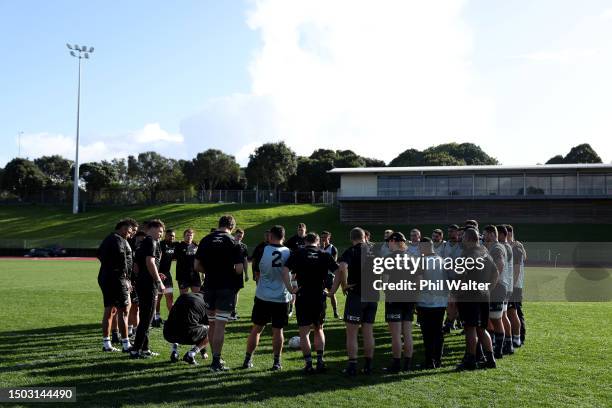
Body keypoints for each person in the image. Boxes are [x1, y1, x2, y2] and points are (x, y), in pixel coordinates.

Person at [195, 215, 244, 372]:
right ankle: (216, 360)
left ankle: (215, 358)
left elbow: (196, 266)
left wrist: (210, 271)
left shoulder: (205, 240)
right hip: (226, 287)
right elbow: (238, 269)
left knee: (211, 323)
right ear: (231, 226)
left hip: (209, 285)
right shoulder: (233, 242)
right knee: (220, 325)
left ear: (219, 224)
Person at [284, 232, 338, 373]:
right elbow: (339, 271)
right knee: (319, 329)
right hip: (319, 296)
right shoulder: (324, 254)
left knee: (304, 332)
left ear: (305, 241)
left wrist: (290, 288)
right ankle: (320, 361)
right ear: (318, 241)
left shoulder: (298, 253)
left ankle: (308, 364)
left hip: (303, 295)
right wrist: (332, 290)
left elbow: (284, 270)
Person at [328, 227, 378, 376]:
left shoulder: (351, 251)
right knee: (368, 332)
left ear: (352, 238)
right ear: (364, 237)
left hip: (356, 295)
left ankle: (352, 365)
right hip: (372, 294)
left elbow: (342, 267)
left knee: (352, 333)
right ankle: (368, 365)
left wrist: (343, 285)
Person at [243, 225, 292, 371]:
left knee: (257, 328)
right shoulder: (289, 252)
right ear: (283, 236)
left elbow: (257, 272)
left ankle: (247, 359)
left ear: (271, 236)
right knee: (278, 330)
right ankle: (276, 362)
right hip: (281, 297)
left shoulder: (262, 249)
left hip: (263, 295)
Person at [455, 227, 498, 370]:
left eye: (462, 237)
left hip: (469, 297)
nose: (461, 239)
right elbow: (496, 273)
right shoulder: (485, 252)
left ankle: (470, 359)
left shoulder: (465, 255)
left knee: (470, 328)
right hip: (484, 296)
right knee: (481, 328)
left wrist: (456, 294)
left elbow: (460, 277)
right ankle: (490, 359)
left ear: (467, 238)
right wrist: (488, 288)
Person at [97, 219, 137, 353]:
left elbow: (99, 255)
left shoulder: (109, 238)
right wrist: (125, 278)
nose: (131, 235)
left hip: (106, 277)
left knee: (110, 310)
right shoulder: (119, 240)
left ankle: (106, 344)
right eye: (131, 231)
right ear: (124, 228)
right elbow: (122, 260)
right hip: (117, 279)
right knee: (124, 310)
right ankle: (126, 344)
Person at [130, 219, 166, 359]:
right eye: (160, 231)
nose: (161, 235)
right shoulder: (151, 241)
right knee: (147, 319)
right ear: (152, 228)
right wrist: (158, 281)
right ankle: (135, 350)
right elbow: (150, 262)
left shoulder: (143, 242)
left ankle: (144, 349)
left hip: (142, 283)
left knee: (145, 317)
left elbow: (137, 265)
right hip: (149, 285)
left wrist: (154, 273)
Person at [382, 232, 415, 373]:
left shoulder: (389, 258)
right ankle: (407, 364)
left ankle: (396, 364)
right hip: (409, 299)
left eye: (389, 241)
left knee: (395, 334)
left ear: (394, 241)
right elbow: (418, 282)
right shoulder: (413, 258)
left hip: (394, 299)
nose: (388, 243)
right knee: (407, 333)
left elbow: (385, 281)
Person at [416, 237, 450, 369]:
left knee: (427, 333)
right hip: (440, 303)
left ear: (423, 247)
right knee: (438, 332)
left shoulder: (422, 261)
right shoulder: (441, 260)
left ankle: (430, 360)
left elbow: (418, 283)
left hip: (425, 302)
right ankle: (438, 359)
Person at [483, 224, 508, 359]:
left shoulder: (497, 248)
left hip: (497, 288)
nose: (483, 236)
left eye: (485, 234)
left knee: (496, 319)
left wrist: (490, 286)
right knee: (489, 319)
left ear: (492, 234)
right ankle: (493, 345)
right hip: (493, 287)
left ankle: (499, 349)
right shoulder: (491, 247)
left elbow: (500, 265)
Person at [163, 292, 210, 365]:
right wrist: (203, 352)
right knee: (212, 329)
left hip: (168, 333)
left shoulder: (183, 296)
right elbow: (206, 326)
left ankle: (174, 351)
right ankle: (191, 354)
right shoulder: (206, 302)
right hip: (187, 335)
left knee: (177, 321)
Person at [440, 224, 463, 333]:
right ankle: (450, 322)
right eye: (449, 231)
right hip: (447, 278)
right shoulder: (445, 245)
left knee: (456, 302)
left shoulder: (462, 245)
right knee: (449, 303)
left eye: (453, 231)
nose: (451, 233)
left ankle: (450, 323)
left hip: (459, 278)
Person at [507, 225, 527, 346]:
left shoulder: (516, 247)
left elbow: (519, 265)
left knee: (516, 311)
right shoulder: (514, 246)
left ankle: (520, 337)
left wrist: (512, 286)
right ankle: (516, 336)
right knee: (512, 312)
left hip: (515, 286)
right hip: (512, 285)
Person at [497, 225, 515, 355]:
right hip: (506, 285)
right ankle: (507, 343)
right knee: (503, 315)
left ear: (502, 235)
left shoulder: (505, 247)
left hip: (504, 285)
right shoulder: (506, 246)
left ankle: (507, 343)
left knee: (502, 316)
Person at [153, 229, 176, 327]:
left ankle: (172, 318)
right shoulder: (159, 245)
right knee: (158, 298)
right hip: (158, 274)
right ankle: (156, 318)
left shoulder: (174, 245)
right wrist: (157, 274)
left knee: (170, 297)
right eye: (170, 235)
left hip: (167, 274)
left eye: (173, 236)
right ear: (165, 235)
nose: (172, 237)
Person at [127, 229, 146, 340]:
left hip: (139, 282)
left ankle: (135, 330)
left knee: (136, 308)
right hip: (128, 281)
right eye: (138, 240)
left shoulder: (145, 250)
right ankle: (128, 329)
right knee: (127, 307)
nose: (140, 242)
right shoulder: (130, 248)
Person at [320, 231, 340, 319]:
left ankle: (335, 312)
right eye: (322, 237)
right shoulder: (318, 248)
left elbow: (333, 263)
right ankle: (323, 313)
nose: (323, 239)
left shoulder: (333, 249)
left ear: (329, 238)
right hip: (320, 275)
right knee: (321, 294)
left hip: (330, 275)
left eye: (325, 237)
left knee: (331, 294)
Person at [175, 229, 200, 295]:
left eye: (191, 235)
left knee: (197, 296)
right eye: (187, 235)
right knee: (184, 297)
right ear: (184, 236)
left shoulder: (196, 246)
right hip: (183, 275)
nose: (189, 237)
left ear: (193, 236)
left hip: (195, 275)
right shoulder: (179, 245)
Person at [232, 228, 249, 320]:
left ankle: (233, 310)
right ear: (235, 235)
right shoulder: (230, 244)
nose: (239, 238)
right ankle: (227, 310)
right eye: (238, 236)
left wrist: (246, 274)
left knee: (236, 291)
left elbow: (245, 261)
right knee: (228, 291)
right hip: (229, 272)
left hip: (239, 273)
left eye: (241, 237)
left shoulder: (244, 246)